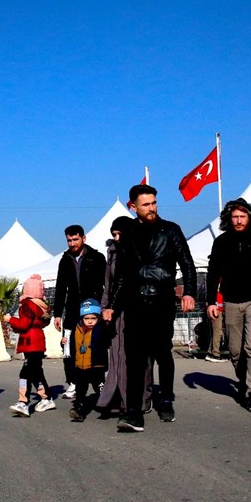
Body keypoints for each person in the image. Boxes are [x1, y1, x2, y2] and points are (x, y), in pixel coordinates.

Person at [105, 184, 196, 431]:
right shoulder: (128, 234)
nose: (152, 208)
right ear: (132, 207)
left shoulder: (170, 230)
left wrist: (189, 292)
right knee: (134, 359)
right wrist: (112, 306)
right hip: (135, 305)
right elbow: (122, 275)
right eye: (146, 205)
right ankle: (134, 412)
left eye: (154, 203)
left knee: (162, 354)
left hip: (162, 302)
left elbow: (187, 263)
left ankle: (165, 399)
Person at [205, 198, 251, 412]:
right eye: (235, 217)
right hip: (230, 301)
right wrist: (212, 301)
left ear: (250, 217)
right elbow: (213, 274)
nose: (238, 221)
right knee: (235, 350)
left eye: (242, 216)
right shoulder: (221, 242)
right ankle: (243, 380)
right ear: (229, 219)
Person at [96, 216, 148, 417]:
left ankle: (135, 401)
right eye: (114, 234)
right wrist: (105, 307)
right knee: (116, 356)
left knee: (133, 358)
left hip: (135, 309)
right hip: (115, 312)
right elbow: (109, 284)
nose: (117, 238)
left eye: (119, 234)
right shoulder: (112, 253)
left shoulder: (139, 250)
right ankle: (114, 399)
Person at [53, 225, 107, 400]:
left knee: (96, 345)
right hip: (72, 311)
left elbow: (106, 284)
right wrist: (57, 314)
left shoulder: (97, 258)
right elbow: (60, 288)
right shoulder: (65, 259)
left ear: (84, 238)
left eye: (75, 239)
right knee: (68, 347)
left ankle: (99, 381)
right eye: (69, 240)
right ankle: (73, 382)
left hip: (93, 309)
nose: (72, 243)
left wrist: (104, 307)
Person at [3, 275, 55, 417]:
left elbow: (24, 324)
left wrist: (10, 319)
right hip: (38, 340)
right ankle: (45, 397)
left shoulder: (27, 305)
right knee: (35, 371)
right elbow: (36, 324)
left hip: (30, 342)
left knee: (27, 372)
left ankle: (24, 402)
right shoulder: (42, 306)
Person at [68, 299, 109, 422]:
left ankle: (106, 406)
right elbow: (72, 346)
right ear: (82, 318)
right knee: (81, 389)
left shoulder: (100, 329)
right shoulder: (77, 329)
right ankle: (79, 410)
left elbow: (107, 340)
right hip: (80, 366)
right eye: (87, 318)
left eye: (93, 318)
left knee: (100, 387)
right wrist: (63, 343)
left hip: (96, 365)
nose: (90, 321)